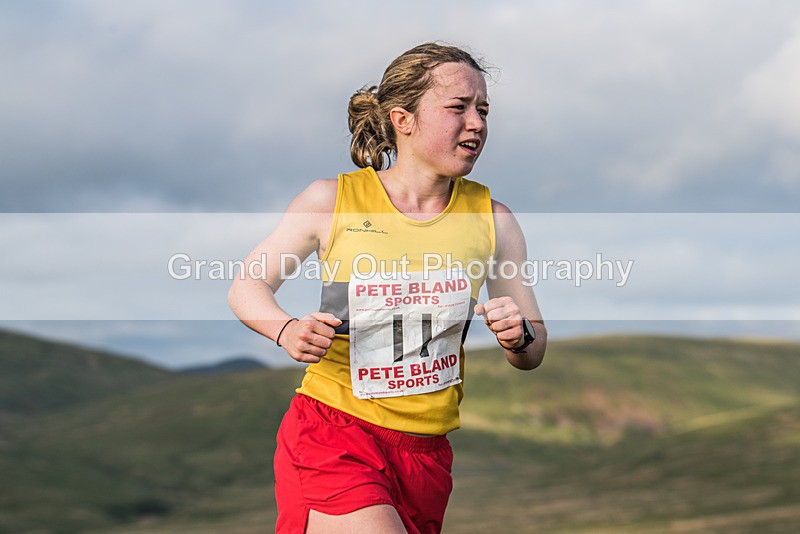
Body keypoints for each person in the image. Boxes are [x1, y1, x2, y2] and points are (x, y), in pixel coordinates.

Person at [228, 42, 546, 534]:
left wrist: (518, 335)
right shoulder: (332, 200)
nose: (477, 123)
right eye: (458, 108)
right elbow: (247, 285)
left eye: (483, 110)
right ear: (403, 119)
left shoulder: (495, 220)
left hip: (426, 453)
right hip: (334, 431)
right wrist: (285, 329)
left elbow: (533, 349)